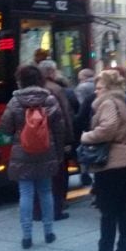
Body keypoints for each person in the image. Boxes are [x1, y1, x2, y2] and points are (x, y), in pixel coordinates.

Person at [0, 64, 66, 249]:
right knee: (46, 191)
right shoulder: (49, 99)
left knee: (26, 193)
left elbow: (5, 127)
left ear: (21, 80)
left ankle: (27, 236)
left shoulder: (15, 101)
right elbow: (59, 129)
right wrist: (59, 153)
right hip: (46, 150)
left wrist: (18, 132)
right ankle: (49, 232)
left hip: (23, 152)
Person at [81, 70, 126, 251]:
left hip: (112, 163)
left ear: (109, 88)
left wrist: (86, 136)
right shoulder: (121, 101)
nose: (96, 91)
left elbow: (107, 129)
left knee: (108, 211)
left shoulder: (108, 103)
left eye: (99, 87)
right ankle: (124, 250)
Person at [38, 59, 74, 220]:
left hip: (36, 138)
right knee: (58, 174)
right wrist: (69, 139)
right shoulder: (56, 89)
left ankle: (39, 209)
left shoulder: (32, 88)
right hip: (55, 137)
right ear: (51, 72)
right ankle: (57, 208)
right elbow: (65, 115)